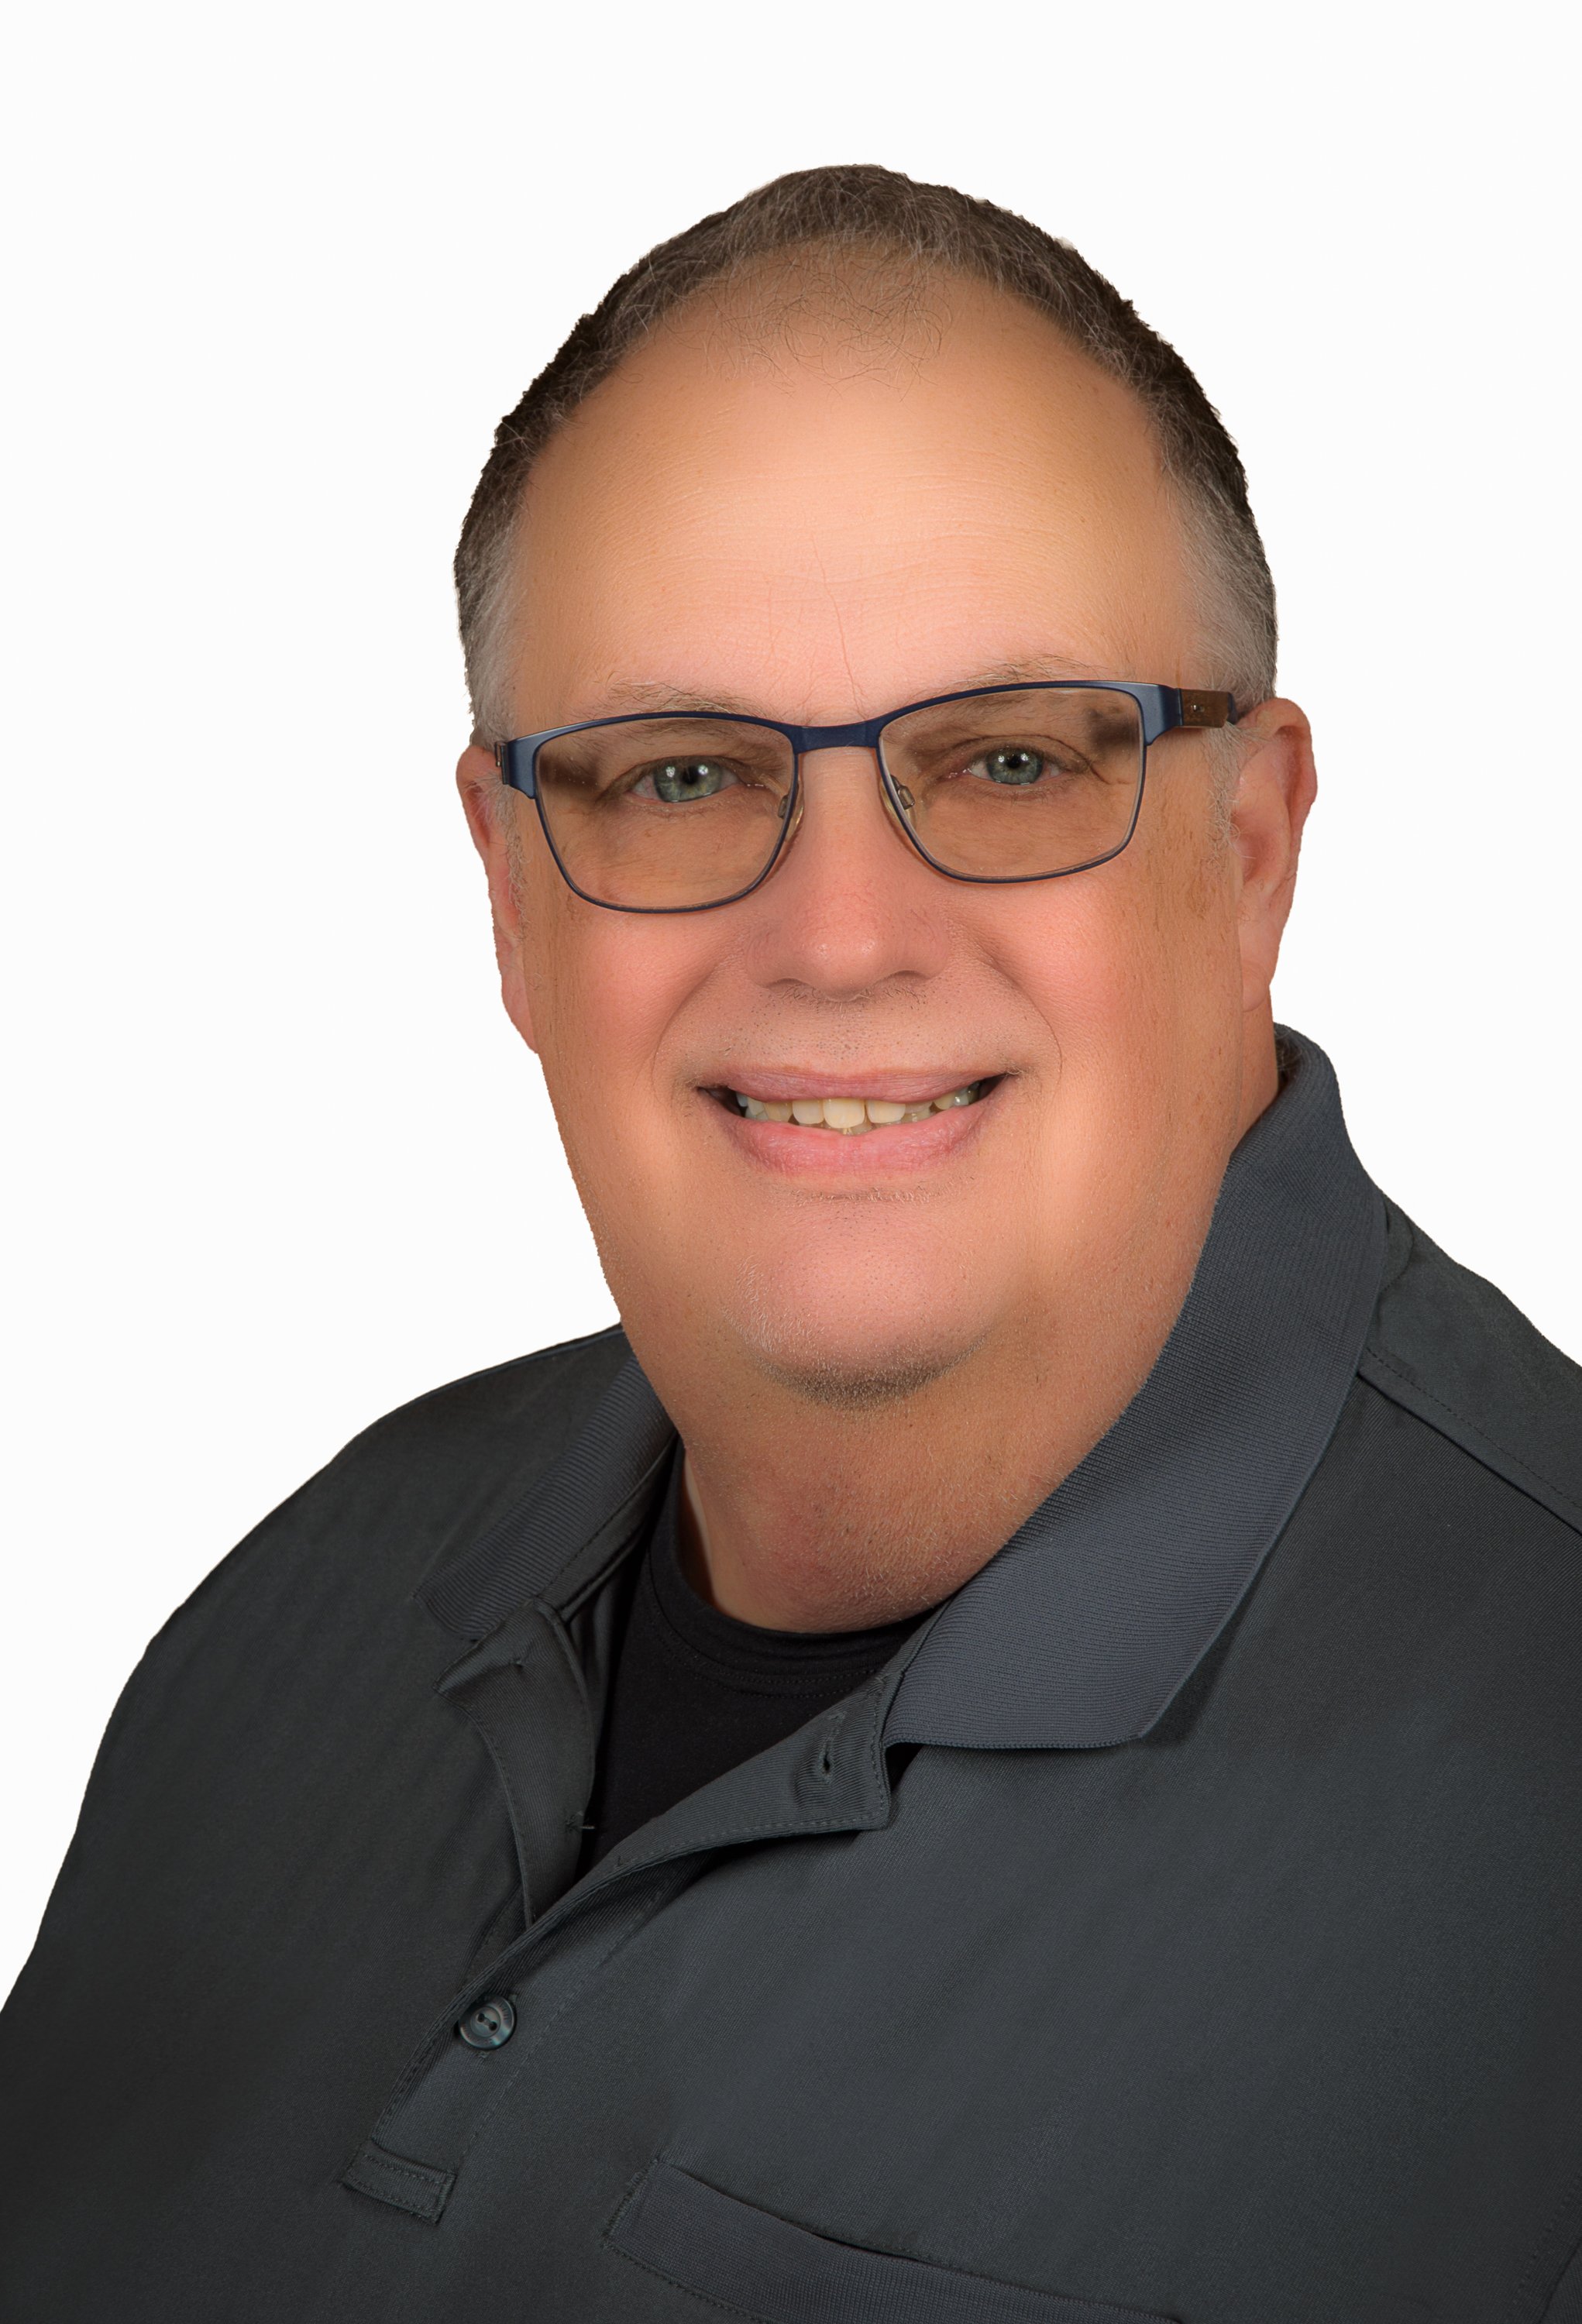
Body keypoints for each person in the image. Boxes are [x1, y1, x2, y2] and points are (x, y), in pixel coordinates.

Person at [3, 164, 1580, 2324]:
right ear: (509, 890)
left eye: (1009, 761)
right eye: (678, 777)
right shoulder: (300, 1606)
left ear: (1248, 853)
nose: (839, 937)